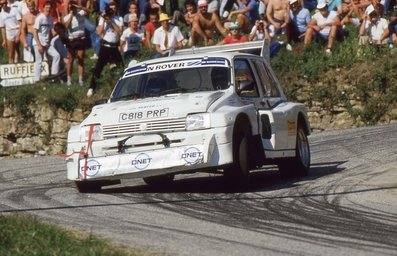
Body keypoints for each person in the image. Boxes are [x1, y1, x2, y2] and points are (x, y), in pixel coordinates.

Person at [87, 0, 123, 97]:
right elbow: (99, 32)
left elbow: (120, 32)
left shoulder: (119, 18)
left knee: (121, 67)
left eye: (114, 7)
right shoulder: (103, 18)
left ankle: (120, 87)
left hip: (115, 47)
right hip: (105, 47)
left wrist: (111, 22)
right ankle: (91, 88)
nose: (113, 9)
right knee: (98, 68)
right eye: (111, 7)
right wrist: (103, 20)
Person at [63, 0, 86, 86]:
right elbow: (66, 26)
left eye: (73, 6)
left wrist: (79, 7)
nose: (72, 8)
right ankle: (69, 79)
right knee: (71, 59)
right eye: (71, 7)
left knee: (81, 58)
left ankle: (81, 79)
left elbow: (88, 11)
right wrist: (72, 15)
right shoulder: (67, 17)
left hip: (81, 38)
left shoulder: (81, 13)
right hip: (72, 40)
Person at [32, 0, 54, 81]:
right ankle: (37, 80)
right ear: (43, 8)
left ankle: (53, 76)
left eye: (49, 7)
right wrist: (39, 45)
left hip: (46, 42)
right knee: (39, 61)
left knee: (55, 56)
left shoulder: (50, 18)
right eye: (46, 7)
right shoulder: (39, 17)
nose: (48, 9)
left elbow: (52, 31)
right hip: (38, 42)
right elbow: (35, 31)